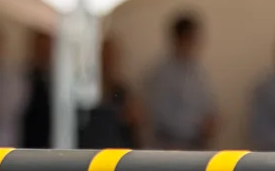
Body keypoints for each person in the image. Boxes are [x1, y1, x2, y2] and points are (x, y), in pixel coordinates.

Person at [143, 14, 215, 149]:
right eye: (193, 38)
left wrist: (210, 121)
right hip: (170, 147)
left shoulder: (198, 71)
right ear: (181, 38)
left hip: (197, 146)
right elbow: (159, 115)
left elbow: (208, 105)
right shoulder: (161, 73)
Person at [79, 37, 141, 148]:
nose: (107, 60)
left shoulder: (121, 90)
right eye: (104, 55)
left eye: (110, 56)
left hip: (114, 151)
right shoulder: (83, 88)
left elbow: (134, 120)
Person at [20, 30, 54, 148]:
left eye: (46, 47)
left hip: (53, 140)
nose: (44, 51)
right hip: (28, 139)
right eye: (40, 47)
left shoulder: (59, 80)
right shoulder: (23, 75)